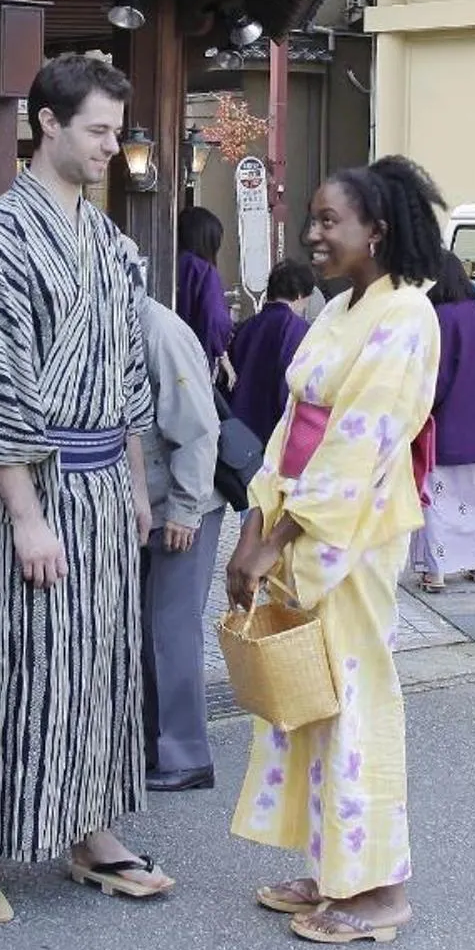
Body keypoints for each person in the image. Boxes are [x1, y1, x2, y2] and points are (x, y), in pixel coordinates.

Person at [0, 54, 166, 925]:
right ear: (48, 124)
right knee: (35, 661)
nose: (112, 146)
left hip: (106, 477)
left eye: (116, 130)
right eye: (98, 130)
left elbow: (127, 371)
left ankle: (90, 825)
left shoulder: (106, 241)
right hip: (37, 477)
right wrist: (24, 515)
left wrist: (139, 486)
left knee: (105, 657)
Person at [225, 155, 446, 946]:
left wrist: (281, 534)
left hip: (350, 533)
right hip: (304, 520)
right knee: (311, 699)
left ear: (376, 232)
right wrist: (253, 522)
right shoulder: (341, 308)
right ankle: (333, 867)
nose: (312, 234)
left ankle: (380, 890)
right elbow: (292, 427)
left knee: (356, 698)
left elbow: (357, 445)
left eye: (329, 221)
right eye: (311, 219)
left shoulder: (406, 316)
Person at [121, 237, 225, 795]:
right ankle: (152, 743)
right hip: (156, 504)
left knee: (171, 629)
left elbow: (197, 428)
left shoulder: (157, 332)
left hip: (187, 503)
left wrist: (184, 510)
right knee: (147, 627)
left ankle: (186, 754)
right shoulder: (121, 329)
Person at [412, 247, 475, 595]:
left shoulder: (438, 318)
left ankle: (436, 570)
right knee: (473, 494)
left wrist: (418, 408)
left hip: (444, 422)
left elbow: (435, 374)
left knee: (436, 494)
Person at [226, 257, 319, 444]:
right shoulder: (299, 330)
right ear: (301, 295)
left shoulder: (245, 327)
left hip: (238, 436)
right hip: (276, 434)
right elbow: (295, 386)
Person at [176, 205, 234, 382]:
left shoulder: (174, 263)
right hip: (194, 356)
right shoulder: (205, 271)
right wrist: (222, 353)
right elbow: (216, 319)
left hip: (168, 349)